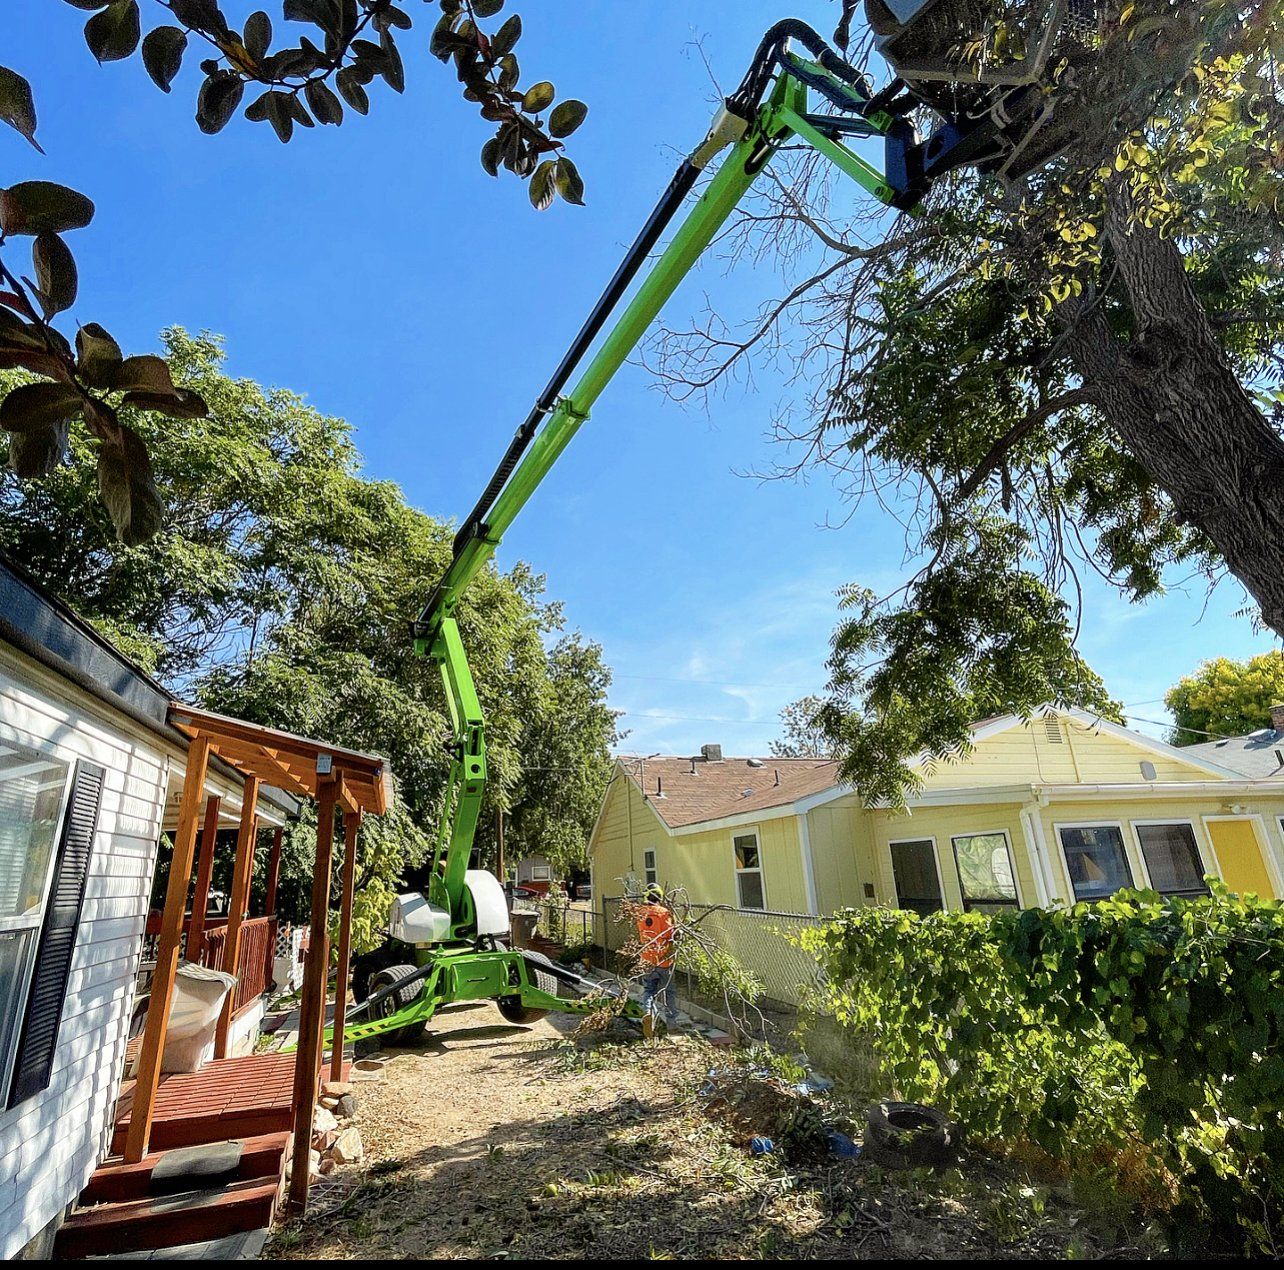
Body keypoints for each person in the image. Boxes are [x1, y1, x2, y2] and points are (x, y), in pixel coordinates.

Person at [633, 886, 678, 1036]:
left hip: (647, 959)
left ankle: (648, 1014)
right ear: (660, 897)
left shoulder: (640, 913)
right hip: (664, 960)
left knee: (649, 990)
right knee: (669, 992)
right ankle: (671, 1025)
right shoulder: (664, 913)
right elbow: (671, 934)